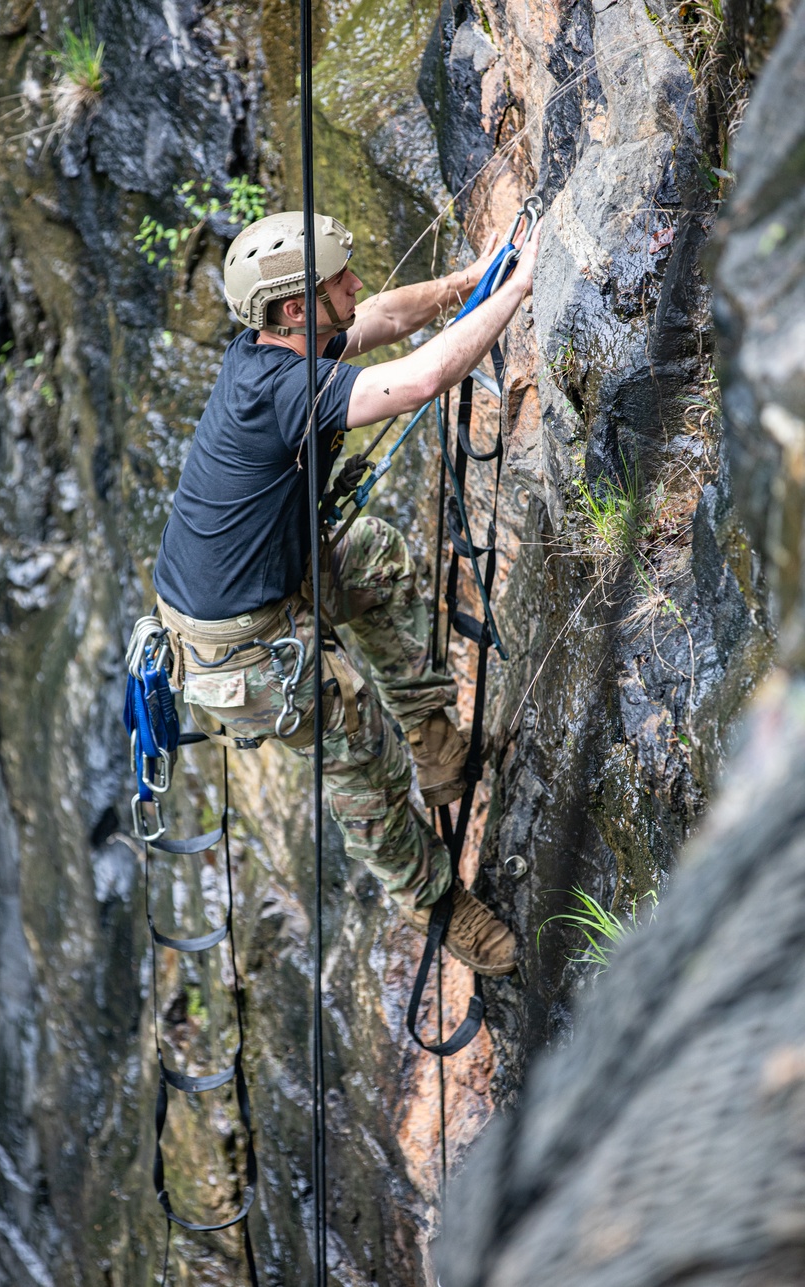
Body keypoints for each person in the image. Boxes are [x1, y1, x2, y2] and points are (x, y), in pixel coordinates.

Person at [153, 209, 541, 976]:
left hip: (263, 577)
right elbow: (425, 377)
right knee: (360, 757)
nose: (356, 286)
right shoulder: (283, 391)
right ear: (296, 307)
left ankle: (435, 745)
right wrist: (521, 290)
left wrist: (474, 279)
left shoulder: (285, 345)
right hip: (241, 647)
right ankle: (439, 906)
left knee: (372, 560)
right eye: (339, 280)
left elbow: (387, 317)